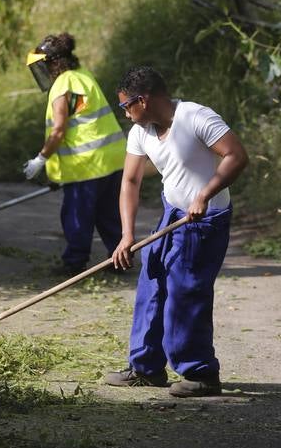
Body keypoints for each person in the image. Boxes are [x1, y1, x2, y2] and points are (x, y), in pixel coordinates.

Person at [106, 66, 249, 397]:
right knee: (152, 284)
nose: (126, 114)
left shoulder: (196, 117)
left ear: (144, 99)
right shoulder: (141, 131)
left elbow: (236, 156)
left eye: (127, 106)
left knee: (186, 291)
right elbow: (130, 181)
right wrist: (127, 235)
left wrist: (205, 194)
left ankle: (200, 373)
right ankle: (146, 367)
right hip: (173, 214)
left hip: (204, 220)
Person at [23, 33, 126, 275]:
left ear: (52, 63)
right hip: (112, 159)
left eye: (43, 66)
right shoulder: (83, 76)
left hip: (85, 165)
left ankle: (74, 263)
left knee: (77, 214)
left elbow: (59, 130)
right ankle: (120, 259)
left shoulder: (62, 85)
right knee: (109, 213)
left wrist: (41, 159)